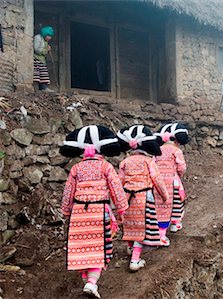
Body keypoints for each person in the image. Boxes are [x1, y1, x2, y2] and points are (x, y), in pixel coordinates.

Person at [59, 125, 129, 299]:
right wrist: (121, 209)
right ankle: (91, 283)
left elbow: (69, 191)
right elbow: (116, 188)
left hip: (79, 212)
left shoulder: (76, 169)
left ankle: (88, 282)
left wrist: (67, 211)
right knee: (99, 248)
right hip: (99, 211)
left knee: (83, 247)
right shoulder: (105, 167)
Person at [117, 125, 170, 272]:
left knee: (129, 224)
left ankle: (129, 247)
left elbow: (119, 182)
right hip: (144, 197)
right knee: (142, 228)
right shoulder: (148, 161)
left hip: (127, 197)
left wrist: (117, 202)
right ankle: (135, 259)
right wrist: (165, 196)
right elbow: (157, 179)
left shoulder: (124, 162)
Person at [154, 123, 189, 234]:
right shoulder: (176, 151)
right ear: (177, 141)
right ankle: (175, 223)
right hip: (173, 181)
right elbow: (182, 167)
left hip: (158, 182)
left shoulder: (157, 150)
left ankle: (160, 226)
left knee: (161, 204)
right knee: (176, 202)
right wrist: (179, 174)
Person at [33, 26, 54, 92]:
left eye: (51, 36)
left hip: (42, 60)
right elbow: (36, 49)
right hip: (36, 59)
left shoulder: (45, 41)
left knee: (43, 74)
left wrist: (47, 49)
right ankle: (38, 88)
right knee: (38, 74)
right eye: (49, 36)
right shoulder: (38, 38)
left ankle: (43, 87)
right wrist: (46, 50)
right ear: (45, 34)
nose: (50, 38)